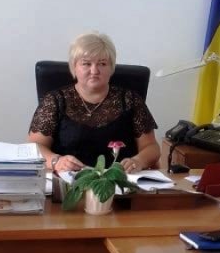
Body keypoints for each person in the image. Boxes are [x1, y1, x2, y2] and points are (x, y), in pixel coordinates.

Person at [28, 32, 160, 173]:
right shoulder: (55, 100)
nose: (94, 71)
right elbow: (35, 147)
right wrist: (56, 161)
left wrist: (138, 161)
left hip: (119, 180)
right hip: (69, 181)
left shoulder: (130, 100)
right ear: (74, 67)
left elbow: (151, 147)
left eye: (102, 64)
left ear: (111, 67)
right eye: (86, 63)